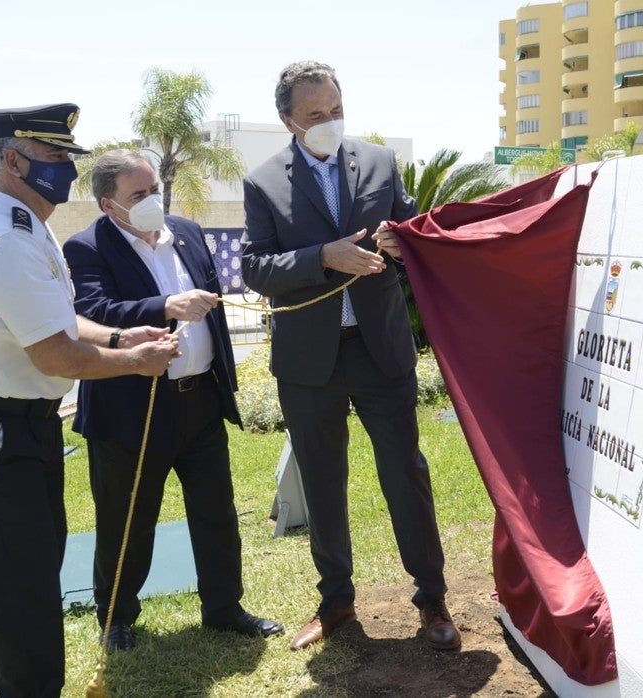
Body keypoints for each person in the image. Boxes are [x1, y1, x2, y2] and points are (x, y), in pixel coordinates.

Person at [0, 103, 178, 698]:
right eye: (55, 156)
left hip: (20, 423)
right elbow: (56, 356)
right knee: (29, 589)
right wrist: (134, 363)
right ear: (13, 161)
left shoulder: (29, 224)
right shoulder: (9, 241)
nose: (68, 169)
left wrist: (120, 336)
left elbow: (58, 320)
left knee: (25, 565)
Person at [241, 60, 460, 652]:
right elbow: (255, 267)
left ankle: (432, 597)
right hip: (310, 364)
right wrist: (323, 258)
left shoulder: (381, 163)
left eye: (336, 111)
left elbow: (416, 229)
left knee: (405, 473)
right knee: (323, 480)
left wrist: (402, 238)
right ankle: (336, 601)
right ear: (288, 120)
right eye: (315, 116)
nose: (329, 123)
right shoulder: (263, 182)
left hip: (379, 349)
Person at [63, 150, 282, 652]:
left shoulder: (186, 231)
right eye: (138, 195)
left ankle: (224, 608)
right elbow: (94, 310)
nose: (151, 202)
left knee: (216, 512)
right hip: (130, 411)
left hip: (199, 400)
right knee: (127, 519)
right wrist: (165, 306)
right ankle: (116, 618)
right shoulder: (86, 247)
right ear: (109, 204)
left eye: (154, 190)